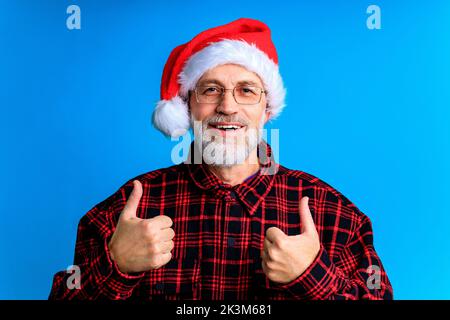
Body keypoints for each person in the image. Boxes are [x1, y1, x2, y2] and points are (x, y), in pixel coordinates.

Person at [49, 18, 393, 300]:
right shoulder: (128, 209)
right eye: (210, 89)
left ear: (267, 107)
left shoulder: (331, 212)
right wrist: (116, 266)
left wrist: (312, 276)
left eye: (246, 90)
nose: (227, 106)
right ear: (187, 105)